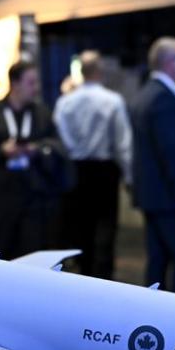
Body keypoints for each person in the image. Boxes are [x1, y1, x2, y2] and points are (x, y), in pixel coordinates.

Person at [0, 60, 69, 260]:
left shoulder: (42, 113)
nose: (36, 88)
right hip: (1, 197)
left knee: (33, 252)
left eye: (37, 83)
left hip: (35, 195)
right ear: (15, 83)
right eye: (31, 83)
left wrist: (36, 150)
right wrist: (2, 151)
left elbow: (58, 145)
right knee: (1, 251)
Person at [53, 50, 131, 280]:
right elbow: (122, 142)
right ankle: (105, 276)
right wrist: (129, 176)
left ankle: (85, 275)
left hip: (77, 168)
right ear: (100, 72)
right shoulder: (113, 101)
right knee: (106, 225)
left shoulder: (65, 102)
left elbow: (62, 135)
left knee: (81, 225)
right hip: (105, 169)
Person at [130, 38, 175, 294]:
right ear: (169, 63)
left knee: (157, 261)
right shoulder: (164, 100)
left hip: (151, 196)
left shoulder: (145, 95)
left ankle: (152, 314)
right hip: (169, 197)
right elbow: (172, 153)